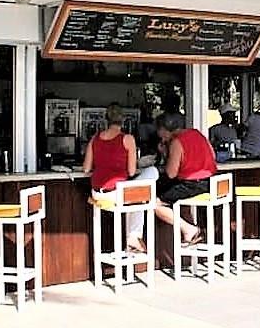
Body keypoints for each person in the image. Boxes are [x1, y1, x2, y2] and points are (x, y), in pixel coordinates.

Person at [83, 104, 158, 253]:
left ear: (106, 119)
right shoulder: (127, 139)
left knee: (137, 196)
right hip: (116, 194)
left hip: (97, 193)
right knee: (151, 173)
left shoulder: (95, 138)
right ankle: (133, 237)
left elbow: (86, 168)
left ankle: (133, 237)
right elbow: (131, 171)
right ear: (123, 120)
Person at [153, 113, 217, 246]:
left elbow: (171, 173)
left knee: (153, 203)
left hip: (191, 185)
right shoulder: (197, 134)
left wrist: (164, 153)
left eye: (160, 132)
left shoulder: (176, 142)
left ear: (164, 129)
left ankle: (189, 229)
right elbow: (213, 155)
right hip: (209, 182)